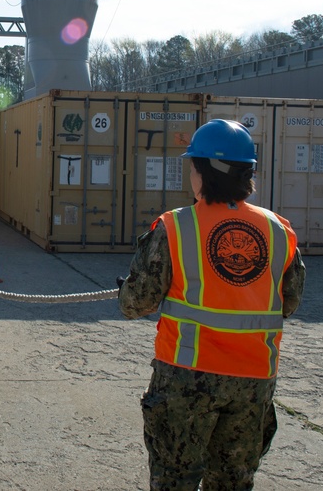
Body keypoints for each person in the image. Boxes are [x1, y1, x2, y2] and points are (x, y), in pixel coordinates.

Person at [119, 119, 306, 491]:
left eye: (193, 166)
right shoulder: (278, 230)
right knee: (233, 482)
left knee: (175, 479)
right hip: (253, 382)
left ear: (203, 171)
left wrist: (128, 291)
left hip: (187, 377)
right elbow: (290, 303)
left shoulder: (175, 227)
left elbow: (136, 303)